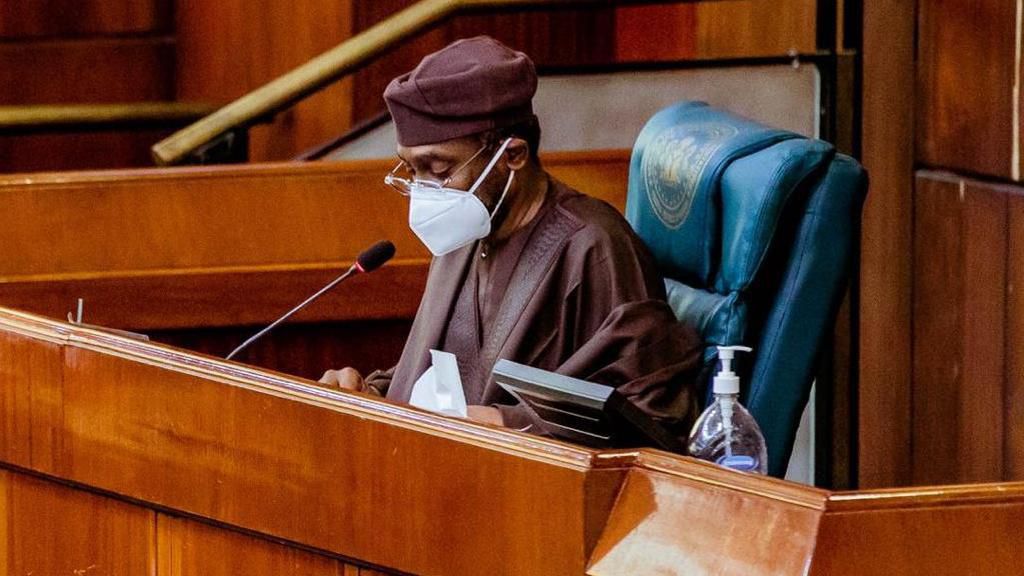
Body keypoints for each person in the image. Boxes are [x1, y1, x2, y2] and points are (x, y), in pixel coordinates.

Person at [321, 36, 704, 442]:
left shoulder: (593, 248)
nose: (425, 190)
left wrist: (509, 424)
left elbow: (655, 415)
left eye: (438, 168)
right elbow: (453, 376)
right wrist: (374, 393)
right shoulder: (465, 229)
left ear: (513, 155)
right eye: (411, 170)